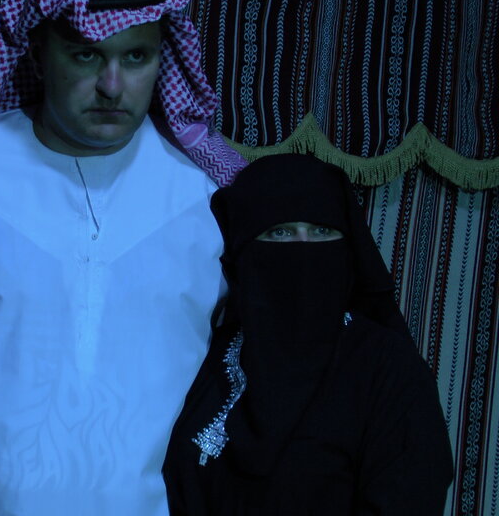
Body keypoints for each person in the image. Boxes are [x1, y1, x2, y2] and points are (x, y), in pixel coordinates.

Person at [0, 0, 247, 514]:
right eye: (86, 55)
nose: (112, 86)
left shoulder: (210, 194)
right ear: (38, 56)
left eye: (136, 56)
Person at [163, 153, 454, 515]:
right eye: (280, 232)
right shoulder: (208, 356)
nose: (303, 248)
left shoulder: (388, 369)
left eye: (321, 231)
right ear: (244, 251)